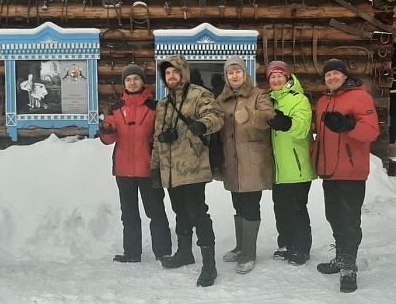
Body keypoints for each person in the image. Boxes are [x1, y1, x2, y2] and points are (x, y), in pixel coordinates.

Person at [151, 55, 224, 287]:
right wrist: (155, 167)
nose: (171, 76)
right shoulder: (162, 105)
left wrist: (203, 124)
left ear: (183, 72)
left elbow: (216, 115)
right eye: (167, 73)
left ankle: (209, 265)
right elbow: (156, 140)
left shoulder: (199, 95)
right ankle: (184, 252)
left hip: (193, 167)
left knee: (197, 213)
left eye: (175, 72)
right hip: (171, 171)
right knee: (179, 212)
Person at [312, 58, 379, 293]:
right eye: (328, 75)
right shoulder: (322, 101)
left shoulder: (360, 97)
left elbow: (372, 131)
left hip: (351, 172)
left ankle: (349, 266)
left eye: (336, 74)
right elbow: (320, 138)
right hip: (329, 171)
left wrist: (348, 125)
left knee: (350, 220)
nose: (331, 78)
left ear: (344, 76)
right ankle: (341, 257)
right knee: (334, 216)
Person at [100, 64, 172, 263]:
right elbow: (108, 140)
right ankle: (132, 252)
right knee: (129, 214)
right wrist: (106, 131)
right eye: (128, 80)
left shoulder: (154, 107)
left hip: (148, 168)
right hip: (123, 169)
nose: (132, 83)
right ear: (124, 84)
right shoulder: (115, 108)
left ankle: (163, 251)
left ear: (142, 82)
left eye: (136, 79)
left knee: (155, 211)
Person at [216, 56, 273, 274]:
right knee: (238, 204)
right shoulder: (222, 100)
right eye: (230, 73)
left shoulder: (259, 94)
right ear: (226, 76)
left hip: (253, 161)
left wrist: (250, 115)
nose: (234, 76)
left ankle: (249, 253)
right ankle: (240, 247)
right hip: (231, 161)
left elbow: (269, 117)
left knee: (250, 206)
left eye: (238, 71)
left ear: (245, 73)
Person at [265, 61, 316, 266]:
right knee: (281, 208)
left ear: (287, 78)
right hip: (278, 168)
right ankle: (285, 244)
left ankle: (301, 249)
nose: (276, 79)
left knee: (296, 209)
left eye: (279, 75)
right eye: (272, 76)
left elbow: (302, 128)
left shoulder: (299, 100)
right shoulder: (269, 101)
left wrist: (286, 123)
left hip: (297, 166)